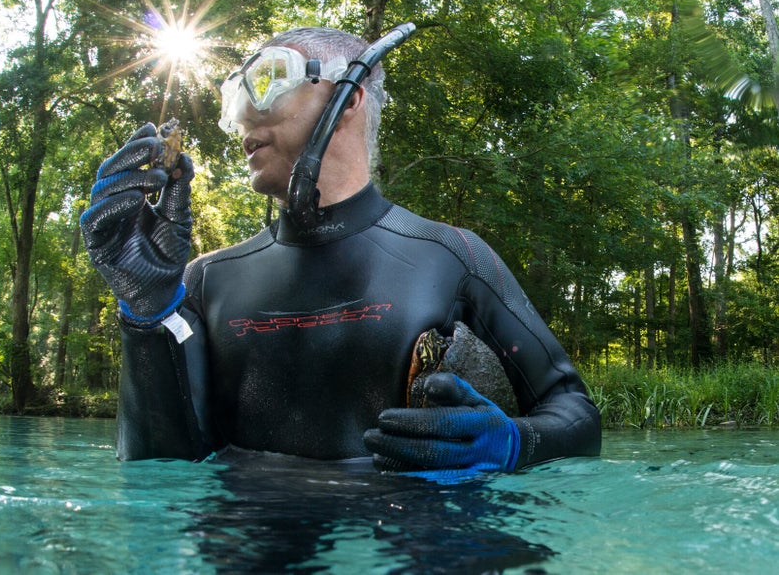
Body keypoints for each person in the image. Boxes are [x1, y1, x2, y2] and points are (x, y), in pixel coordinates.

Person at [81, 26, 601, 480]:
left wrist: (513, 444)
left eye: (265, 82)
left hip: (407, 542)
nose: (243, 119)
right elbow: (162, 471)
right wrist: (148, 312)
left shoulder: (453, 255)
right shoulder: (203, 281)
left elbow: (576, 414)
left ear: (347, 97)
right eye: (235, 98)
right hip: (251, 543)